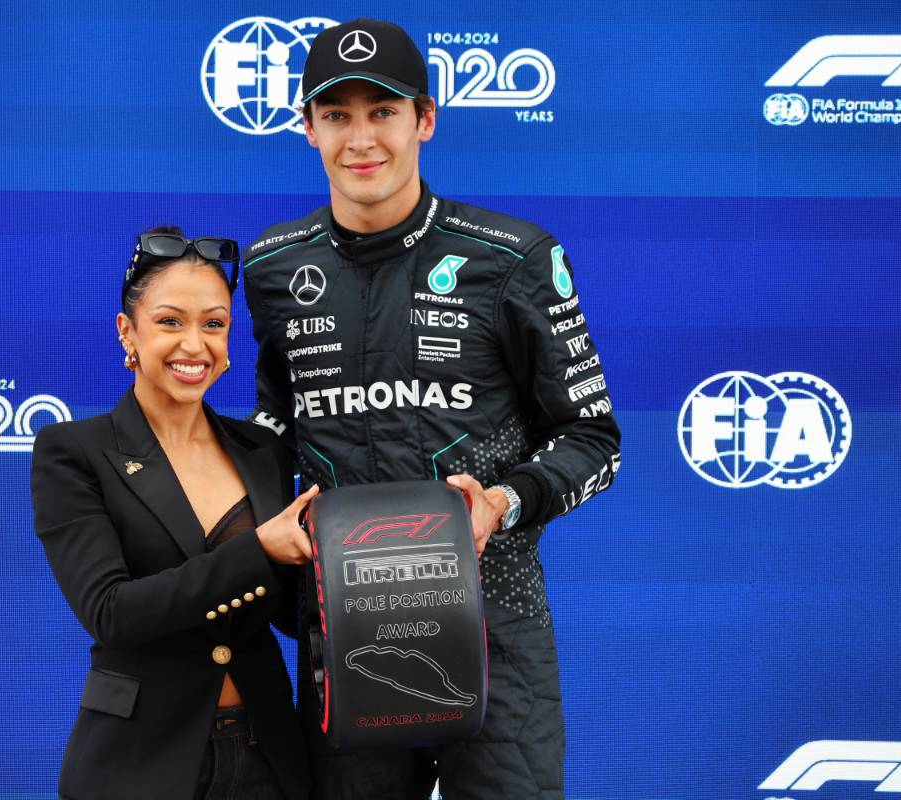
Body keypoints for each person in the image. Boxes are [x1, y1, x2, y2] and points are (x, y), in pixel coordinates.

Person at [242, 19, 621, 800]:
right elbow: (276, 425)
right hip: (342, 624)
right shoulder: (273, 266)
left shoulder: (513, 257)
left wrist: (503, 502)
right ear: (308, 128)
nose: (361, 139)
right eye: (337, 115)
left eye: (383, 112)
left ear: (425, 119)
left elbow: (593, 438)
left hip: (494, 620)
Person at [31, 227, 314, 800]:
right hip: (139, 763)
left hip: (268, 756)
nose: (194, 344)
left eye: (214, 324)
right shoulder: (74, 452)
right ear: (127, 331)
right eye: (170, 322)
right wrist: (258, 549)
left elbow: (288, 612)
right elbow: (112, 613)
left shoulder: (263, 451)